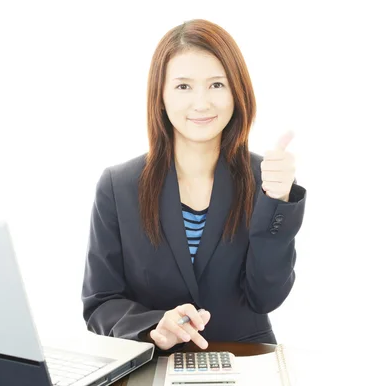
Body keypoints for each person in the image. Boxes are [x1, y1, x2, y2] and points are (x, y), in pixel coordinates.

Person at [81, 18, 306, 352]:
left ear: (237, 92)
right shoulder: (119, 186)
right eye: (183, 86)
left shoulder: (267, 178)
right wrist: (155, 325)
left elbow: (266, 298)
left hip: (245, 361)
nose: (201, 103)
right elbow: (100, 302)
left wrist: (278, 200)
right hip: (153, 363)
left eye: (216, 85)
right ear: (160, 95)